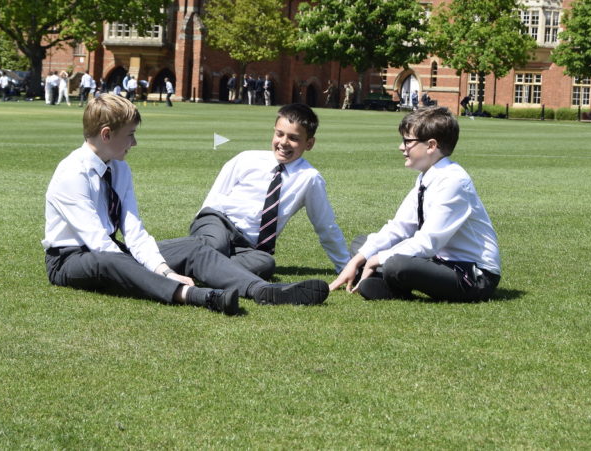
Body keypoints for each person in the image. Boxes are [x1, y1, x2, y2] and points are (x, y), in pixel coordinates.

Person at [43, 94, 330, 313]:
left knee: (194, 247)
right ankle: (195, 295)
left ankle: (263, 290)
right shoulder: (71, 173)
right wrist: (165, 275)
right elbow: (97, 243)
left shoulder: (119, 168)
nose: (134, 143)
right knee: (110, 259)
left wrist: (163, 268)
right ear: (106, 134)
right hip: (70, 260)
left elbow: (134, 231)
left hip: (112, 251)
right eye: (130, 135)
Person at [330, 106, 501, 302]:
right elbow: (399, 227)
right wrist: (358, 260)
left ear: (431, 145)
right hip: (438, 262)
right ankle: (383, 282)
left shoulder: (453, 181)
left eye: (407, 141)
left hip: (473, 275)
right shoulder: (426, 177)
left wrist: (376, 260)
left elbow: (428, 243)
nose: (401, 147)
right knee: (363, 244)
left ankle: (387, 282)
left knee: (396, 264)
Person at [189, 103, 349, 280]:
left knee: (264, 264)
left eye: (293, 138)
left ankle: (197, 264)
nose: (283, 142)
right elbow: (214, 198)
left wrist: (345, 266)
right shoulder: (246, 158)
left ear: (309, 143)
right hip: (217, 222)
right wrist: (202, 226)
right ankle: (178, 261)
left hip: (247, 246)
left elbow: (325, 225)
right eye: (279, 134)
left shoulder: (309, 178)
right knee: (215, 245)